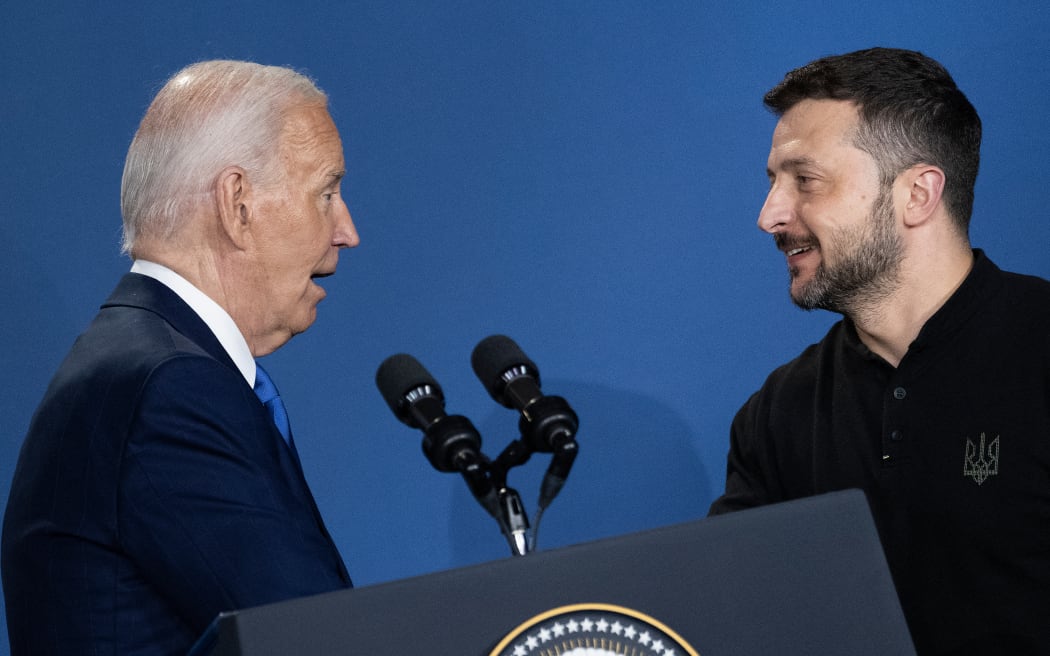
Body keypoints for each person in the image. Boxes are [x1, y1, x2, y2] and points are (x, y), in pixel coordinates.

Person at [2, 60, 359, 655]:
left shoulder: (137, 363)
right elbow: (312, 640)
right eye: (326, 192)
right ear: (237, 204)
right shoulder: (170, 390)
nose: (346, 230)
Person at [708, 48, 1050, 655]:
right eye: (772, 184)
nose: (769, 216)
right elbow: (738, 619)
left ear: (918, 194)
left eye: (805, 181)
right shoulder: (777, 414)